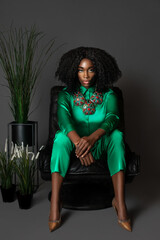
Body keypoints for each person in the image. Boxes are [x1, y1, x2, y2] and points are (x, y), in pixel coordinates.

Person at [48, 47, 132, 232]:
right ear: (73, 71)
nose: (85, 75)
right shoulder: (65, 95)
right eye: (80, 69)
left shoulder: (109, 95)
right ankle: (55, 203)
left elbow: (112, 118)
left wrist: (92, 139)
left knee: (117, 136)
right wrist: (80, 145)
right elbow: (63, 120)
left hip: (100, 142)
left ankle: (120, 202)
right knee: (61, 138)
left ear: (99, 70)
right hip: (73, 144)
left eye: (90, 69)